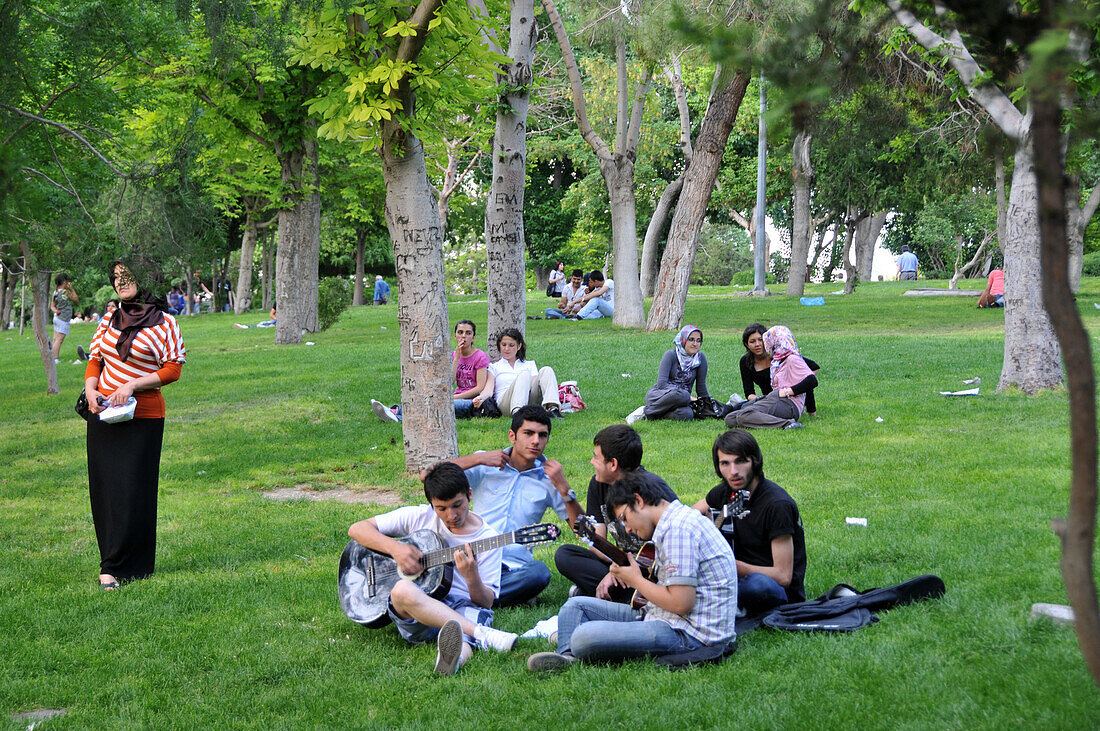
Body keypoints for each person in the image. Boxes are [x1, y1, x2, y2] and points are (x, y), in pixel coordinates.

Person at [526, 469, 736, 672]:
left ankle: (574, 646)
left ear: (638, 501)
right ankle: (567, 656)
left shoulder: (678, 530)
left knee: (584, 637)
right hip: (663, 616)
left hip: (691, 634)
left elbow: (681, 603)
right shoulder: (672, 523)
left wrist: (635, 580)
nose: (626, 528)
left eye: (624, 518)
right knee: (575, 606)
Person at [347, 462, 518, 675]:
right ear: (431, 504)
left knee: (461, 634)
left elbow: (485, 602)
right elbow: (357, 529)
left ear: (470, 495)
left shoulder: (487, 538)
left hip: (463, 607)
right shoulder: (418, 516)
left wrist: (471, 576)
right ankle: (484, 635)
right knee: (400, 590)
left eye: (458, 505)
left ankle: (452, 661)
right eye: (441, 508)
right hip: (420, 609)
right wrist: (396, 549)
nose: (451, 515)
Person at [84, 260, 186, 590]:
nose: (120, 282)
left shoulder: (165, 323)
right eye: (115, 277)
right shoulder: (110, 319)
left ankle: (137, 565)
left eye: (126, 276)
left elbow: (172, 370)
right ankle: (110, 566)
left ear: (145, 279)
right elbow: (95, 359)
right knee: (106, 492)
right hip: (103, 417)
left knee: (135, 492)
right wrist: (90, 389)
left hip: (143, 418)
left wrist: (132, 385)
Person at [446, 405, 581, 606]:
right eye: (528, 433)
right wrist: (478, 458)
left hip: (514, 568)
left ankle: (470, 595)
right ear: (512, 436)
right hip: (474, 561)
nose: (536, 441)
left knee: (539, 573)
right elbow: (429, 477)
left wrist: (564, 489)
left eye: (542, 435)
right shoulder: (485, 464)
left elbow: (584, 532)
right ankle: (491, 595)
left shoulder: (549, 479)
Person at [554, 425, 679, 604]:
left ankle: (618, 595)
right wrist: (566, 494)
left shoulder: (651, 489)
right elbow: (595, 542)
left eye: (596, 457)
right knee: (566, 555)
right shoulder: (598, 484)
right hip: (623, 561)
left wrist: (622, 571)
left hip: (656, 570)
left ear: (612, 464)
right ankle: (618, 594)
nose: (591, 461)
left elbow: (673, 548)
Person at [693, 430, 807, 614]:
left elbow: (784, 576)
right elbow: (691, 516)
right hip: (733, 578)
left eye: (740, 461)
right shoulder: (724, 493)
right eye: (725, 463)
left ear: (754, 461)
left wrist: (729, 564)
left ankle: (716, 601)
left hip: (773, 588)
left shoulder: (777, 505)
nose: (733, 472)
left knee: (758, 586)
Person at [371, 320, 490, 422]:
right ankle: (395, 413)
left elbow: (479, 388)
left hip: (471, 402)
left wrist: (455, 397)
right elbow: (451, 382)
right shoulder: (453, 355)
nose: (464, 336)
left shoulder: (480, 357)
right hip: (454, 397)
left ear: (473, 337)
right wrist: (457, 358)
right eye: (460, 332)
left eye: (468, 333)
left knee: (436, 406)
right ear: (455, 336)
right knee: (428, 401)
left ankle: (396, 412)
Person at [725, 325, 816, 430]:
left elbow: (811, 380)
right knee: (730, 418)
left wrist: (790, 392)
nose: (759, 344)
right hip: (771, 398)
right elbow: (749, 391)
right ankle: (762, 417)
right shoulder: (776, 360)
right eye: (753, 341)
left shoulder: (791, 358)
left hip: (787, 401)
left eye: (762, 340)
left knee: (743, 415)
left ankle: (787, 424)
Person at [627, 325, 710, 423]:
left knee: (688, 414)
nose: (695, 344)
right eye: (691, 339)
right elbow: (662, 384)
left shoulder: (700, 358)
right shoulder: (670, 355)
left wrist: (709, 404)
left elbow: (701, 388)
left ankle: (654, 415)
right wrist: (685, 396)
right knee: (682, 395)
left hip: (682, 402)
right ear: (683, 339)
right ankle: (644, 411)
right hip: (660, 397)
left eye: (698, 340)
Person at [476, 328, 564, 418]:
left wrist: (524, 383)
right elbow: (489, 389)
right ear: (499, 346)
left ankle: (553, 408)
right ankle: (517, 412)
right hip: (506, 403)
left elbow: (534, 384)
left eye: (511, 345)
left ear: (519, 346)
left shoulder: (529, 364)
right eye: (503, 345)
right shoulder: (494, 367)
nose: (507, 349)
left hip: (528, 399)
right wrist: (480, 398)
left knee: (546, 370)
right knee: (524, 374)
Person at [737, 323, 820, 415]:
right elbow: (749, 393)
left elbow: (813, 369)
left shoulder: (780, 356)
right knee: (740, 408)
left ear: (767, 340)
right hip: (769, 399)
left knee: (803, 377)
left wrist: (793, 388)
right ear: (746, 344)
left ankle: (810, 413)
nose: (757, 344)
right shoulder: (745, 362)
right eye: (752, 341)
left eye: (761, 340)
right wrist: (760, 400)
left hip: (789, 399)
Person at [50, 273, 79, 363]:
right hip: (63, 318)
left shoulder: (55, 293)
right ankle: (55, 358)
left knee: (55, 338)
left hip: (57, 317)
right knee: (59, 339)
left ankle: (51, 357)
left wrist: (56, 311)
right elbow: (76, 299)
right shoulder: (65, 292)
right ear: (65, 282)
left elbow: (52, 306)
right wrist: (72, 289)